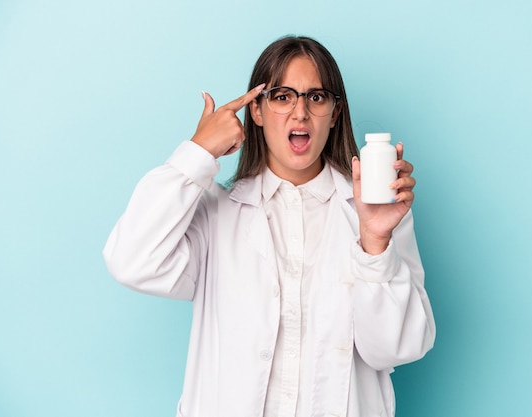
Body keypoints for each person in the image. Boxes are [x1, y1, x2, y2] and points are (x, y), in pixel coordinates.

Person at [103, 35, 435, 417]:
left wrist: (375, 243)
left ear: (335, 113)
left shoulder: (377, 213)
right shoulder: (215, 212)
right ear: (256, 111)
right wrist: (198, 152)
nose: (300, 113)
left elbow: (395, 349)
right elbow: (131, 260)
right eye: (282, 96)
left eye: (316, 97)